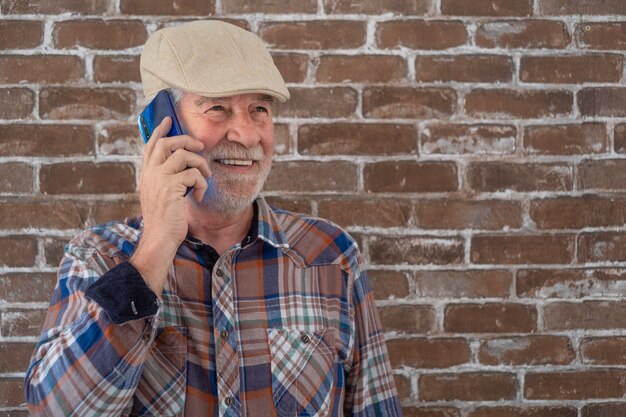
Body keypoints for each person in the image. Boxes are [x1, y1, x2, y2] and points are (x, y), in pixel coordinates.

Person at [24, 20, 402, 417]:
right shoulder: (98, 257)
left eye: (259, 109)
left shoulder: (331, 255)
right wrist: (152, 252)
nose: (246, 134)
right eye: (217, 107)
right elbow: (54, 410)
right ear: (160, 124)